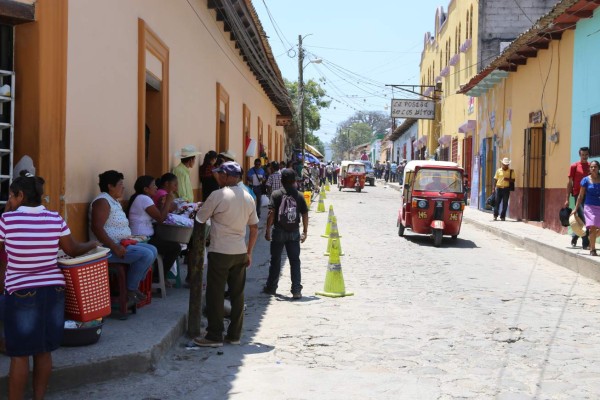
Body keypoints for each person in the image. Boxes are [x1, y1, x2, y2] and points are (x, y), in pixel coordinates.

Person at [0, 171, 97, 400]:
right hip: (53, 289)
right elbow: (72, 249)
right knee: (44, 350)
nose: (9, 201)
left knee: (20, 354)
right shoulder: (55, 218)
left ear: (20, 195)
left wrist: (7, 213)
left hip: (21, 291)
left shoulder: (7, 219)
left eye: (11, 197)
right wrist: (92, 243)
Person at [193, 162, 258, 347]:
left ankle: (214, 335)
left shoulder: (218, 194)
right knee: (237, 295)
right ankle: (234, 335)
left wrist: (202, 208)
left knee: (216, 294)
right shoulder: (248, 196)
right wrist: (249, 252)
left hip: (221, 250)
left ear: (228, 176)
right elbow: (254, 228)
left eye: (221, 174)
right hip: (239, 251)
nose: (218, 177)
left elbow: (200, 218)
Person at [90, 170, 157, 303]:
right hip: (107, 249)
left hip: (121, 244)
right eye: (120, 184)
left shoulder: (113, 201)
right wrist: (114, 246)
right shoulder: (102, 201)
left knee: (153, 250)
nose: (123, 187)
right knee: (146, 255)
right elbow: (97, 228)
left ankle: (131, 285)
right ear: (110, 186)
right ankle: (130, 289)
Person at [263, 169, 309, 299]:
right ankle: (296, 290)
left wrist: (267, 230)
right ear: (294, 181)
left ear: (282, 180)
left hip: (278, 231)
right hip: (294, 232)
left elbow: (271, 213)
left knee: (275, 260)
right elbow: (305, 214)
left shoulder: (276, 194)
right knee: (295, 261)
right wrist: (305, 232)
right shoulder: (299, 195)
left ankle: (271, 287)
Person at [127, 176, 181, 285]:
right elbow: (161, 218)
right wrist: (168, 201)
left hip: (145, 235)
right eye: (153, 185)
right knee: (175, 247)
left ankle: (158, 275)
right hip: (142, 238)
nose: (156, 187)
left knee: (168, 242)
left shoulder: (143, 198)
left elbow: (158, 215)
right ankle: (158, 277)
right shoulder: (144, 199)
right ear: (146, 189)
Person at [573, 160, 600, 256]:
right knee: (592, 227)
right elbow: (580, 195)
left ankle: (591, 238)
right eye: (591, 167)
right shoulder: (585, 180)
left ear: (598, 168)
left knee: (597, 230)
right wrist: (575, 208)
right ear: (590, 168)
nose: (593, 168)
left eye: (595, 167)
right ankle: (593, 249)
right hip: (590, 207)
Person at [565, 147, 590, 249]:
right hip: (577, 195)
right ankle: (585, 243)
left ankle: (575, 236)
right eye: (582, 155)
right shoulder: (574, 166)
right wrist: (567, 198)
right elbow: (569, 183)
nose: (584, 157)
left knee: (586, 218)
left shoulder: (591, 166)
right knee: (584, 217)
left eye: (586, 155)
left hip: (589, 196)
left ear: (588, 155)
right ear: (580, 155)